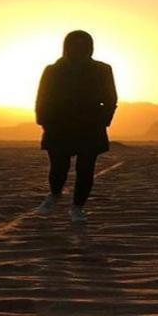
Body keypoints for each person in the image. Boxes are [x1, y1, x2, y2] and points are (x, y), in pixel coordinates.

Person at [34, 30, 117, 222]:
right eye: (74, 44)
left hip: (90, 126)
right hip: (59, 125)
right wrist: (44, 121)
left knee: (86, 169)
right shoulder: (53, 70)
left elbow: (111, 98)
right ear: (67, 46)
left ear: (90, 47)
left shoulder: (102, 69)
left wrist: (104, 120)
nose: (78, 48)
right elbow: (42, 97)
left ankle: (77, 208)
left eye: (83, 45)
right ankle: (54, 195)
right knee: (58, 167)